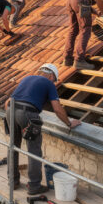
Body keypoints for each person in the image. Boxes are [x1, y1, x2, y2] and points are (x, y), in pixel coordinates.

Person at [5, 63, 80, 195]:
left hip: (11, 110)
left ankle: (13, 182)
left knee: (13, 146)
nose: (54, 83)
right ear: (51, 76)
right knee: (34, 150)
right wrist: (69, 123)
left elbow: (7, 102)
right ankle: (34, 185)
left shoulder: (27, 78)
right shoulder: (49, 83)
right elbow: (57, 109)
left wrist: (13, 118)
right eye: (55, 80)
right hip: (28, 113)